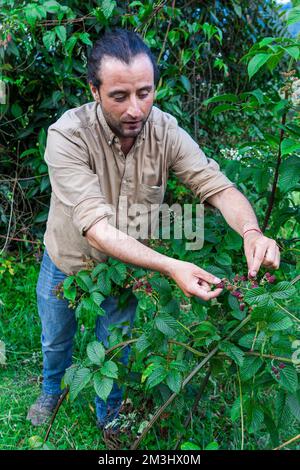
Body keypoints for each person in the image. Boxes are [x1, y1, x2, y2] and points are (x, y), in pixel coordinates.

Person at [26, 28, 280, 438]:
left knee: (118, 344)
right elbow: (96, 230)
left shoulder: (166, 131)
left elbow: (217, 187)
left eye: (145, 93)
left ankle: (109, 417)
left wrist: (251, 231)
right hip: (66, 257)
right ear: (94, 90)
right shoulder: (66, 135)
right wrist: (171, 265)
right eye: (119, 96)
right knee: (56, 337)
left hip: (128, 268)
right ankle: (51, 390)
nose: (135, 109)